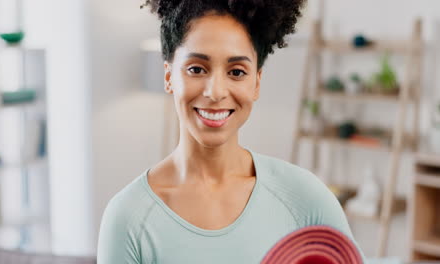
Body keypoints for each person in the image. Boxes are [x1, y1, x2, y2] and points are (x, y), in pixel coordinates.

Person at [97, 0, 367, 263]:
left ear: (257, 83)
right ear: (169, 76)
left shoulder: (305, 199)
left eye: (236, 72)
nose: (215, 92)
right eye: (196, 69)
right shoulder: (128, 218)